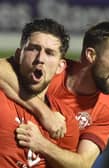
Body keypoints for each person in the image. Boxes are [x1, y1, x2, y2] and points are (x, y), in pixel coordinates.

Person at [0, 21, 109, 167]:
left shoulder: (108, 109)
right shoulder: (49, 69)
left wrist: (42, 144)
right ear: (91, 55)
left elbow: (83, 163)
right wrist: (44, 113)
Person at [0, 18, 80, 167]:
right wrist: (44, 112)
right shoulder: (2, 95)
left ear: (60, 67)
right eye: (33, 49)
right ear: (18, 55)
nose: (40, 58)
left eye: (50, 53)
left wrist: (44, 145)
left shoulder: (65, 120)